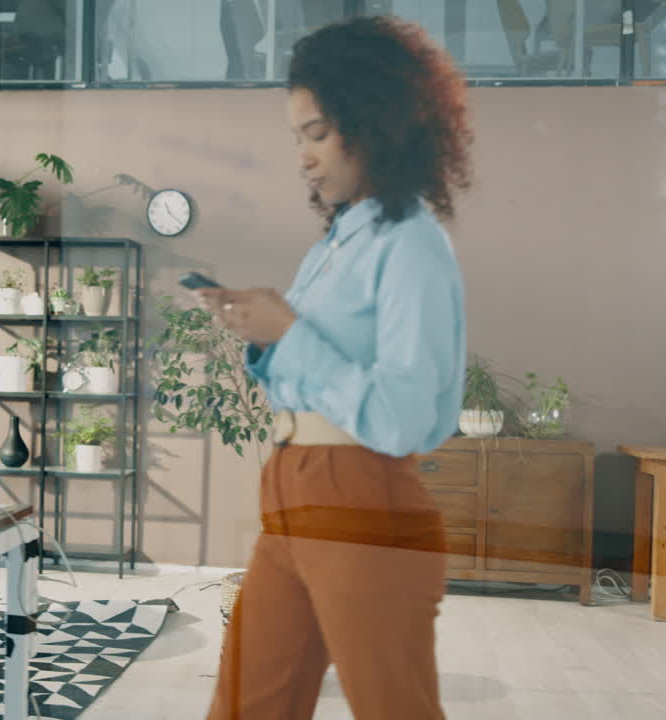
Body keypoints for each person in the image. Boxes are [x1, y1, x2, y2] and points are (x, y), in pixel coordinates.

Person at [195, 15, 472, 720]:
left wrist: (288, 328)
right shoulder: (334, 245)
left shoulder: (412, 243)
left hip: (361, 491)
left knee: (393, 708)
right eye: (298, 138)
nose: (304, 157)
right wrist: (263, 333)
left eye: (316, 133)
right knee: (245, 706)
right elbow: (309, 370)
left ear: (374, 121)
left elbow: (405, 419)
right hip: (293, 492)